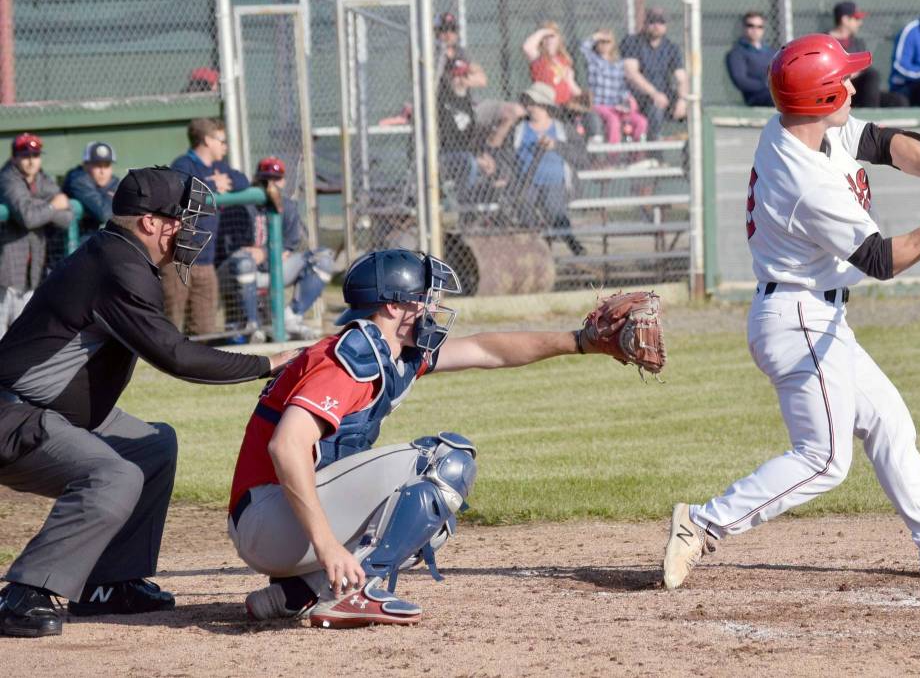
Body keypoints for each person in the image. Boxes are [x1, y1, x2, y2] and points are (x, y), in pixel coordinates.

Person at [662, 34, 920, 590]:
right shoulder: (805, 181)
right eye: (842, 82)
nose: (852, 88)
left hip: (817, 316)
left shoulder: (802, 129)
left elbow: (884, 142)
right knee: (825, 459)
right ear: (820, 99)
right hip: (797, 318)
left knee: (889, 420)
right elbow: (879, 260)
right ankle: (703, 524)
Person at [229, 248, 624, 628]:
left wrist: (579, 342)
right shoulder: (351, 359)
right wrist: (328, 546)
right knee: (443, 463)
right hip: (267, 519)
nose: (432, 309)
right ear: (392, 307)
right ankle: (351, 592)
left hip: (279, 524)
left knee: (432, 521)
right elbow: (286, 446)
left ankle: (298, 593)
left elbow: (486, 350)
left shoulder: (391, 352)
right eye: (422, 299)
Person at [0, 167, 298, 638]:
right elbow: (177, 356)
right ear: (149, 223)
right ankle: (24, 594)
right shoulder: (118, 266)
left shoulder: (117, 255)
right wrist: (268, 363)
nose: (188, 230)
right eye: (180, 219)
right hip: (15, 415)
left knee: (154, 446)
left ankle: (107, 584)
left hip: (47, 411)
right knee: (112, 476)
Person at [219, 157, 334, 341]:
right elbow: (232, 250)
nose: (271, 185)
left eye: (276, 179)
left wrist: (264, 253)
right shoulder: (241, 205)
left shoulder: (287, 206)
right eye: (265, 179)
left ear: (283, 181)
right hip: (241, 273)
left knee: (323, 258)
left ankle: (291, 318)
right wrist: (261, 254)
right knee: (244, 262)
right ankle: (252, 325)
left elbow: (289, 244)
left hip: (275, 269)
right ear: (256, 179)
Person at [167, 118, 250, 336]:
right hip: (178, 260)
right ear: (207, 140)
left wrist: (222, 181)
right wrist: (212, 184)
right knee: (170, 321)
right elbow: (183, 189)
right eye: (221, 141)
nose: (225, 147)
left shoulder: (219, 167)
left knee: (204, 329)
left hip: (206, 261)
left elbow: (242, 181)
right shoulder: (183, 164)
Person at [0, 133, 73, 339]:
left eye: (35, 155)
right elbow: (28, 218)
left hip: (31, 275)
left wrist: (39, 207)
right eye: (25, 155)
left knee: (21, 340)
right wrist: (51, 206)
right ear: (14, 157)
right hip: (4, 276)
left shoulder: (42, 179)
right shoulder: (7, 178)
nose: (31, 160)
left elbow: (68, 216)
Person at [509, 83, 586, 257]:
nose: (529, 107)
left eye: (533, 103)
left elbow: (582, 157)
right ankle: (538, 245)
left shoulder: (562, 129)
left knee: (553, 207)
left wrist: (556, 145)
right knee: (523, 206)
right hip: (526, 181)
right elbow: (508, 156)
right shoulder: (519, 129)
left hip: (556, 181)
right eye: (527, 103)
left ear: (545, 106)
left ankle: (571, 241)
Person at [434, 11, 523, 153]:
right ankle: (476, 155)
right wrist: (458, 73)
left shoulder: (461, 52)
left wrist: (463, 76)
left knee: (515, 111)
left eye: (452, 29)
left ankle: (491, 150)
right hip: (447, 109)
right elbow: (440, 83)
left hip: (471, 105)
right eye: (444, 30)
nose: (449, 34)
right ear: (436, 33)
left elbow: (481, 79)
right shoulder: (432, 54)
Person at [621, 8, 690, 140]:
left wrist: (682, 100)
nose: (657, 26)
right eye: (652, 21)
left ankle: (692, 148)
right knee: (656, 107)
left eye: (661, 22)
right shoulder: (632, 42)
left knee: (694, 108)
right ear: (645, 23)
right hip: (639, 96)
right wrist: (654, 93)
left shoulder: (671, 47)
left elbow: (682, 78)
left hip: (664, 95)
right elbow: (631, 73)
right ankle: (655, 148)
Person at [436, 55, 497, 203]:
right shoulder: (441, 100)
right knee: (470, 162)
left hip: (464, 153)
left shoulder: (467, 101)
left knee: (491, 162)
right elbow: (448, 139)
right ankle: (463, 203)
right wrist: (476, 158)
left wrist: (482, 154)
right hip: (445, 154)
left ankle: (484, 204)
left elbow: (470, 135)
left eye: (464, 76)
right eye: (456, 76)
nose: (460, 80)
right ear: (448, 77)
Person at [829, 1, 909, 108]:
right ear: (845, 20)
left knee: (899, 101)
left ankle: (872, 111)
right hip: (838, 90)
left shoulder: (858, 42)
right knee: (872, 75)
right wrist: (849, 74)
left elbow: (864, 68)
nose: (860, 23)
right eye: (856, 19)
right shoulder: (827, 42)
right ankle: (869, 115)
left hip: (860, 90)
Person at [579, 29, 649, 143]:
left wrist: (627, 100)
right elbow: (582, 48)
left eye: (608, 42)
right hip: (599, 105)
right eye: (601, 41)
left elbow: (623, 88)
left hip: (617, 106)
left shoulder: (618, 64)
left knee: (641, 122)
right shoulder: (592, 59)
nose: (604, 45)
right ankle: (613, 153)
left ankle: (638, 153)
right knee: (613, 121)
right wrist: (597, 36)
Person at [62, 141, 120, 236]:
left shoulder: (113, 182)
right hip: (69, 240)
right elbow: (104, 214)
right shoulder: (78, 180)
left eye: (106, 165)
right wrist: (111, 197)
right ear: (85, 165)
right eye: (97, 165)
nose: (102, 171)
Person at [726, 11, 776, 107]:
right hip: (756, 98)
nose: (755, 30)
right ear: (743, 28)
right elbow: (741, 81)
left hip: (777, 92)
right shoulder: (737, 53)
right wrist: (766, 85)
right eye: (750, 25)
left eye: (759, 27)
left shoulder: (772, 52)